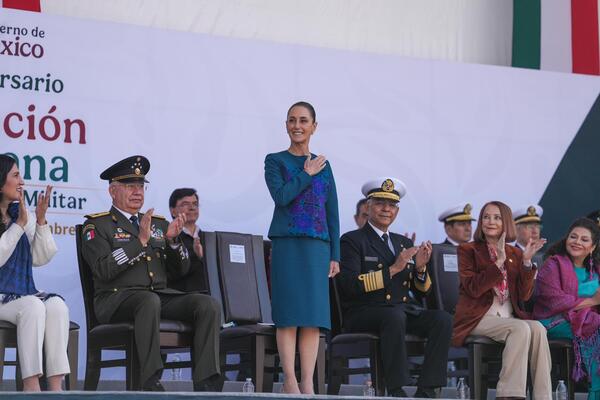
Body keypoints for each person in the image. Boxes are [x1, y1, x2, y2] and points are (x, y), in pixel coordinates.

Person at [81, 155, 221, 392]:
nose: (137, 192)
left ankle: (206, 383)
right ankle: (150, 381)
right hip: (115, 300)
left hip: (157, 296)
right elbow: (103, 269)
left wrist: (174, 242)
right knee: (148, 301)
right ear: (113, 191)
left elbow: (181, 270)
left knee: (207, 304)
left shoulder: (158, 224)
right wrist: (140, 242)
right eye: (129, 186)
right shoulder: (97, 225)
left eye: (140, 186)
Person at [337, 177, 452, 398]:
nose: (386, 209)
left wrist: (420, 269)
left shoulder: (403, 243)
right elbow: (349, 286)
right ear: (368, 206)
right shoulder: (352, 240)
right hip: (363, 311)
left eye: (391, 205)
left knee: (442, 319)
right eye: (380, 203)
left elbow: (422, 292)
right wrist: (394, 269)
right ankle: (397, 389)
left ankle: (428, 389)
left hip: (400, 310)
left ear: (397, 212)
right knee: (394, 316)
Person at [264, 101, 340, 394]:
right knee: (289, 315)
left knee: (312, 317)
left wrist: (335, 254)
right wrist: (306, 173)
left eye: (303, 120)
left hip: (318, 247)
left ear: (314, 127)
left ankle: (307, 381)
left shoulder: (324, 165)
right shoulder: (275, 160)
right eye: (292, 120)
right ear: (286, 125)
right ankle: (289, 380)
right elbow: (282, 197)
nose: (297, 126)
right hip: (288, 245)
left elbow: (332, 212)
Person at [452, 201, 551, 400]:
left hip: (507, 317)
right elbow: (472, 288)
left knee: (538, 328)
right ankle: (509, 395)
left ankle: (543, 396)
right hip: (477, 317)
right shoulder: (468, 250)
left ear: (505, 222)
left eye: (497, 217)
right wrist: (498, 263)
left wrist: (526, 262)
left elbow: (524, 296)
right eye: (486, 217)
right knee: (520, 328)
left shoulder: (515, 253)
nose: (490, 221)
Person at [0, 154, 70, 392]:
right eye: (15, 175)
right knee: (33, 306)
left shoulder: (20, 212)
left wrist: (40, 221)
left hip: (20, 293)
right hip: (4, 296)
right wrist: (19, 226)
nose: (22, 181)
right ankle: (31, 386)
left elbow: (41, 257)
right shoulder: (19, 218)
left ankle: (56, 387)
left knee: (57, 306)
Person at [533, 218, 600, 399]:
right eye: (573, 237)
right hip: (554, 320)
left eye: (584, 239)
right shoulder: (553, 265)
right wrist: (593, 301)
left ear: (593, 247)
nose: (577, 242)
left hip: (586, 321)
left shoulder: (596, 270)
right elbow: (555, 301)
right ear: (566, 239)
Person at [167, 188, 208, 293]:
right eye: (185, 204)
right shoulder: (169, 239)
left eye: (195, 204)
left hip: (210, 295)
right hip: (182, 296)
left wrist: (202, 257)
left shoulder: (208, 239)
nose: (192, 208)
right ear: (173, 211)